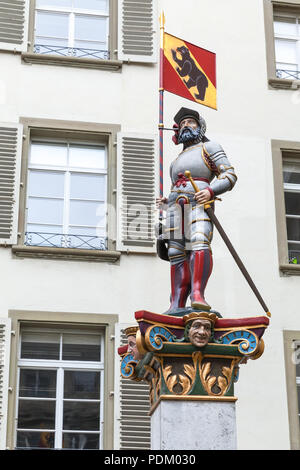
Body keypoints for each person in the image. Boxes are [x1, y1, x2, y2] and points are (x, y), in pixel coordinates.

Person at [157, 107, 237, 312]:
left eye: (190, 122)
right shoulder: (174, 162)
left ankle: (198, 294)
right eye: (182, 124)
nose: (185, 126)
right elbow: (176, 188)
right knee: (175, 252)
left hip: (198, 204)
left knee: (199, 241)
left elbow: (229, 175)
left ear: (199, 127)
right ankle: (176, 302)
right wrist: (166, 202)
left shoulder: (209, 148)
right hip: (176, 209)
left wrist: (211, 191)